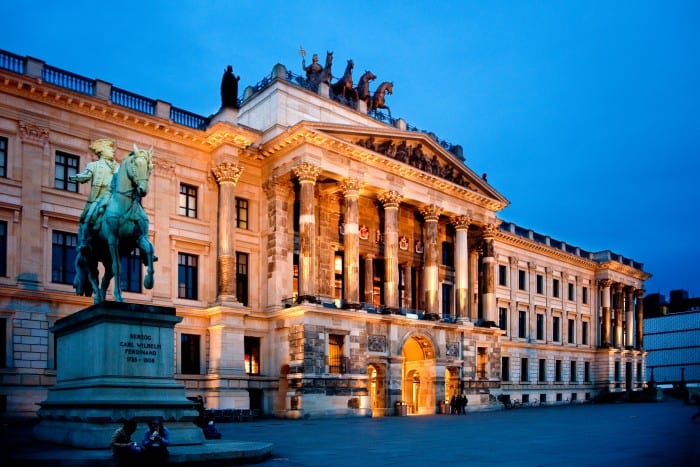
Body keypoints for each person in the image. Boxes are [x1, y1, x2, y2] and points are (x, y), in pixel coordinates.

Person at [69, 138, 119, 251]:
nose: (112, 151)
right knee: (90, 215)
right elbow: (86, 175)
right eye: (109, 149)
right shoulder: (94, 165)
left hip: (115, 197)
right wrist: (78, 177)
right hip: (100, 196)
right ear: (102, 151)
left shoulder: (118, 167)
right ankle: (85, 241)